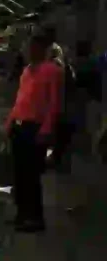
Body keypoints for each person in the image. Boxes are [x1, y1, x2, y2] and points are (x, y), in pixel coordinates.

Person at [4, 32, 63, 233]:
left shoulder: (52, 71)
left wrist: (46, 130)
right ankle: (21, 214)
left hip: (35, 128)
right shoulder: (27, 71)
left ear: (41, 49)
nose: (27, 50)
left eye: (31, 47)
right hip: (19, 126)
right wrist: (10, 122)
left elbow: (54, 104)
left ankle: (36, 218)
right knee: (18, 173)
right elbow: (20, 99)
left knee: (32, 175)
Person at [47, 43, 78, 172]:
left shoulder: (54, 65)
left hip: (59, 107)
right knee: (62, 137)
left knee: (59, 136)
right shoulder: (66, 66)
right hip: (66, 106)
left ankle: (58, 163)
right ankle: (60, 163)